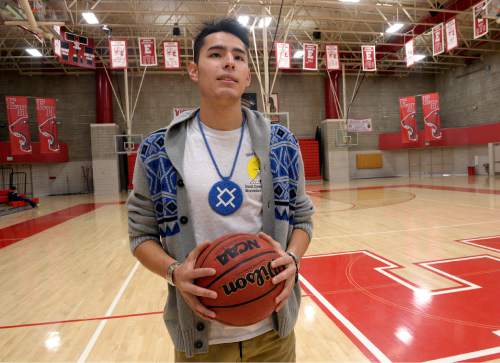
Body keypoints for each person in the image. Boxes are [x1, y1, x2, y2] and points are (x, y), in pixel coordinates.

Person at [127, 17, 314, 362]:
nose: (229, 62)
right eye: (216, 54)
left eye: (239, 57)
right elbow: (140, 235)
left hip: (273, 333)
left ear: (248, 76)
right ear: (194, 70)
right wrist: (174, 272)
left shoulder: (281, 143)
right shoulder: (157, 150)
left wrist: (292, 258)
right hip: (200, 343)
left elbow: (302, 217)